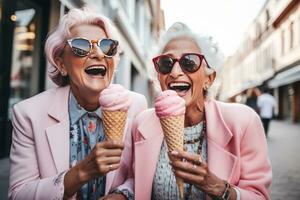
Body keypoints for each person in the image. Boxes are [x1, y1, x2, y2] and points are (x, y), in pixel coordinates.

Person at [8, 8, 147, 200]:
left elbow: (141, 175)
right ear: (61, 64)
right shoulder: (28, 114)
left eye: (107, 46)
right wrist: (80, 173)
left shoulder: (136, 105)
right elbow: (19, 194)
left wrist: (124, 195)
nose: (98, 54)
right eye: (81, 46)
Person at [132, 23, 272, 200]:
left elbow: (259, 196)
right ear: (158, 77)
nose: (175, 72)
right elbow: (133, 180)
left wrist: (219, 188)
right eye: (166, 63)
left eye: (189, 62)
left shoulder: (244, 121)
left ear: (209, 79)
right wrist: (121, 193)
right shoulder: (141, 123)